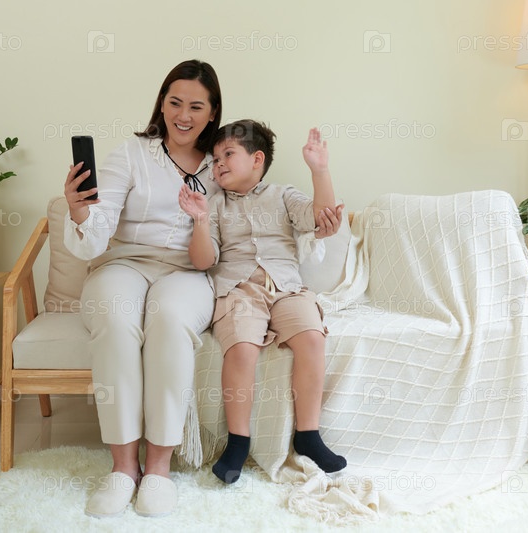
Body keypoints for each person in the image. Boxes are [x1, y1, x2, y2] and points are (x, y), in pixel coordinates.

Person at [63, 59, 224, 518]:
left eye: (196, 106)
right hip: (124, 262)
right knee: (116, 319)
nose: (183, 115)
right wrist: (79, 211)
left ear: (212, 113)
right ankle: (122, 468)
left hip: (187, 271)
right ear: (162, 103)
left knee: (169, 319)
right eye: (175, 102)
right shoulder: (132, 153)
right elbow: (97, 232)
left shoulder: (221, 166)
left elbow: (213, 251)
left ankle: (157, 469)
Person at [178, 119, 347, 484]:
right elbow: (204, 261)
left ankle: (308, 435)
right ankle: (238, 441)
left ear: (256, 160)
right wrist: (201, 221)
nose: (218, 164)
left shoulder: (283, 195)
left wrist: (319, 170)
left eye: (228, 154)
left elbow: (320, 217)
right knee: (241, 348)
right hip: (239, 290)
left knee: (312, 337)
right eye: (215, 159)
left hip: (287, 287)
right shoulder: (214, 204)